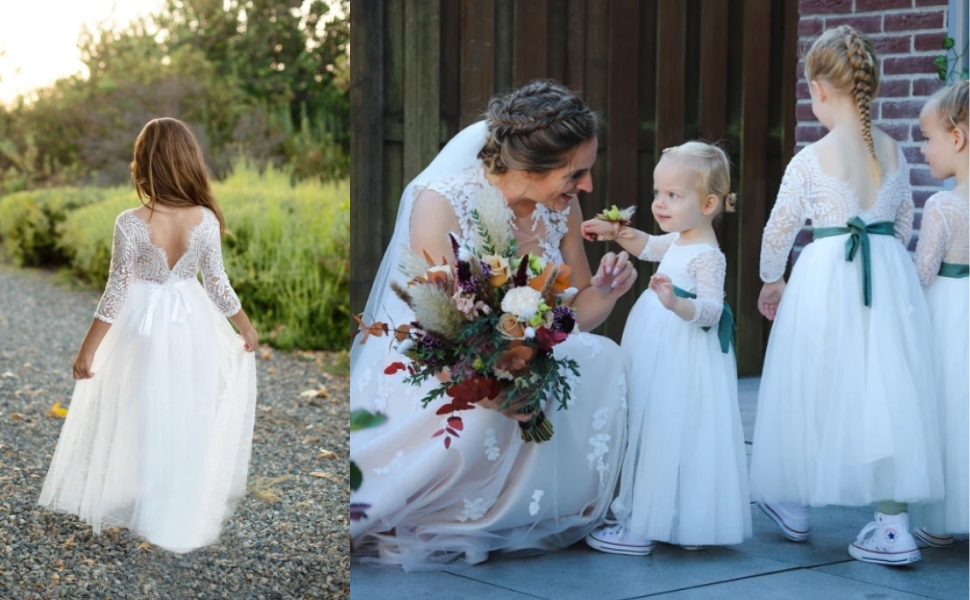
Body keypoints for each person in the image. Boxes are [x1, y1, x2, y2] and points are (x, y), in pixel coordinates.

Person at [350, 80, 636, 570]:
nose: (587, 186)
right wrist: (499, 392)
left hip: (516, 351)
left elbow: (577, 313)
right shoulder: (441, 203)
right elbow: (437, 334)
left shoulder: (560, 207)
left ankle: (551, 500)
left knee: (601, 356)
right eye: (577, 173)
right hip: (439, 362)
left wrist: (606, 292)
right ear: (530, 167)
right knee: (493, 405)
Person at [749, 26, 943, 565]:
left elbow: (778, 230)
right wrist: (885, 261)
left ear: (818, 88)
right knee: (886, 390)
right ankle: (892, 524)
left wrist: (772, 279)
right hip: (886, 274)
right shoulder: (894, 149)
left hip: (827, 277)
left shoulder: (812, 158)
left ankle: (795, 501)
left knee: (814, 381)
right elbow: (904, 221)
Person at [38, 117, 259, 553]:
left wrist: (89, 352)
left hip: (144, 325)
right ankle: (174, 502)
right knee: (187, 406)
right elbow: (216, 282)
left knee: (143, 406)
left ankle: (147, 496)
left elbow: (117, 290)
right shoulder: (206, 220)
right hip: (192, 322)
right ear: (188, 162)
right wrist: (246, 328)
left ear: (144, 164)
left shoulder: (132, 221)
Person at [581, 142, 750, 555]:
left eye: (673, 196)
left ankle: (642, 527)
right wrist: (615, 231)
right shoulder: (678, 240)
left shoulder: (708, 255)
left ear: (709, 203)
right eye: (657, 193)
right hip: (662, 341)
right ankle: (678, 519)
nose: (659, 203)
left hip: (682, 351)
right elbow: (649, 246)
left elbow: (711, 310)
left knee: (666, 425)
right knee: (656, 423)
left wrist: (677, 304)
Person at [909, 80, 970, 548]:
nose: (923, 149)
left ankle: (943, 517)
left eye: (928, 138)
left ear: (958, 137)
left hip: (950, 316)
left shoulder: (943, 205)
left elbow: (923, 273)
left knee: (948, 409)